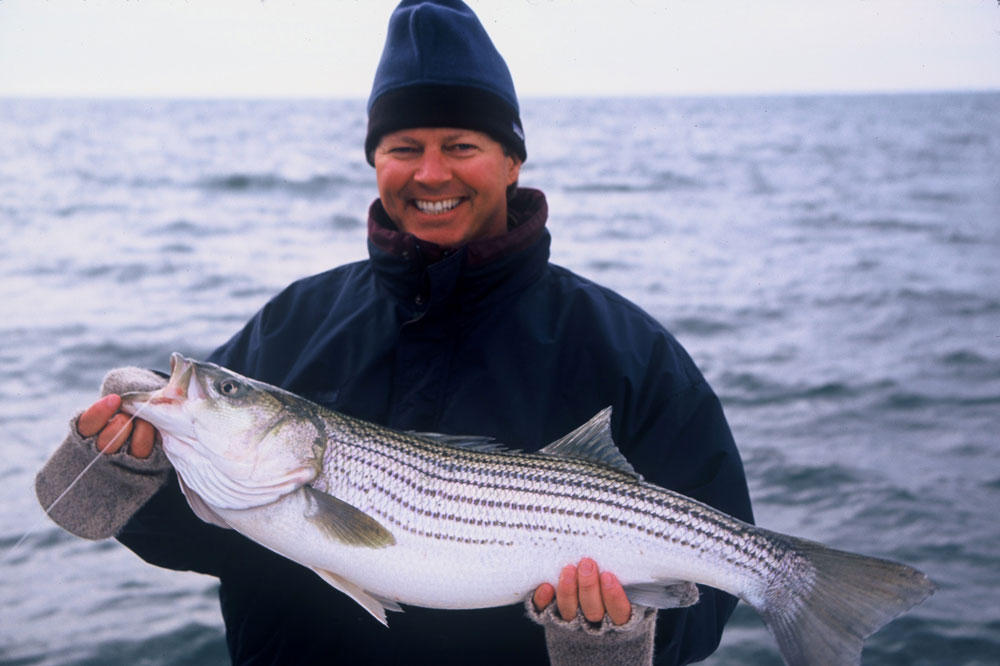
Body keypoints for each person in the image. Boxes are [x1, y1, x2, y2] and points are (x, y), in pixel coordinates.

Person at [36, 1, 753, 664]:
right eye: (404, 146)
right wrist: (126, 479)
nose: (431, 173)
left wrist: (615, 643)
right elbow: (208, 536)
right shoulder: (295, 319)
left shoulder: (631, 354)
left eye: (461, 144)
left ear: (512, 160)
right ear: (375, 161)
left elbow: (708, 604)